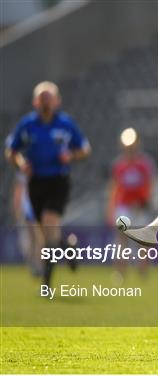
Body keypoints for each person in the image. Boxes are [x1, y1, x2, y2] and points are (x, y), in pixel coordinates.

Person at [5, 81, 91, 288]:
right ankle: (68, 248)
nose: (46, 102)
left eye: (49, 98)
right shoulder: (27, 124)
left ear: (57, 101)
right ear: (36, 102)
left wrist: (70, 155)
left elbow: (85, 149)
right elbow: (11, 151)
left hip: (58, 181)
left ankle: (46, 282)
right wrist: (21, 163)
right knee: (46, 233)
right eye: (42, 98)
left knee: (48, 221)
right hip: (35, 182)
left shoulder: (65, 124)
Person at [107, 127, 155, 281]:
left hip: (140, 207)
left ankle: (143, 270)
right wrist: (111, 208)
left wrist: (145, 202)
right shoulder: (119, 165)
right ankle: (120, 271)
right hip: (124, 207)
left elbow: (149, 185)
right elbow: (114, 188)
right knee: (122, 239)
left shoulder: (144, 164)